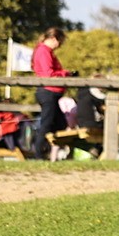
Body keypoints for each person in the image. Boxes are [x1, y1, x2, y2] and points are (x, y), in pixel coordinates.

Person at [31, 27, 73, 159]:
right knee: (46, 124)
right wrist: (65, 74)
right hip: (48, 91)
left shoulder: (45, 51)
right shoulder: (44, 51)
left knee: (60, 125)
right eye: (59, 42)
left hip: (52, 92)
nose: (59, 46)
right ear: (54, 39)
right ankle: (38, 153)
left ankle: (51, 152)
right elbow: (48, 74)